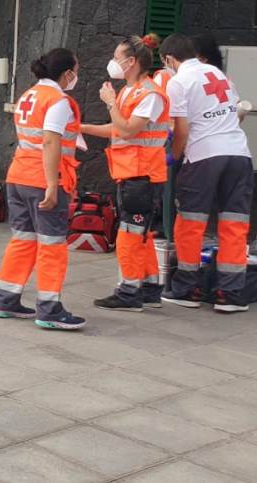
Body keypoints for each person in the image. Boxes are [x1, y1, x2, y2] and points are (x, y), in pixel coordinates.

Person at [0, 48, 86, 330]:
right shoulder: (58, 101)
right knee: (52, 245)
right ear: (67, 73)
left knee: (22, 240)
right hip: (41, 180)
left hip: (19, 175)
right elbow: (50, 142)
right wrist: (53, 185)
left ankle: (6, 300)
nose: (76, 76)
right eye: (76, 70)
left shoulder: (29, 95)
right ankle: (49, 309)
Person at [160, 34, 252, 312]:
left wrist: (173, 157)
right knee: (234, 224)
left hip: (204, 157)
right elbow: (233, 111)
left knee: (190, 223)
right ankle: (231, 294)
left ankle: (187, 288)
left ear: (169, 59)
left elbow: (182, 129)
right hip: (239, 155)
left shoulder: (179, 82)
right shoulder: (217, 73)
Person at [80, 36, 168, 310]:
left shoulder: (150, 94)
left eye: (117, 57)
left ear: (131, 62)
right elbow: (116, 128)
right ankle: (151, 288)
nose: (113, 62)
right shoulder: (130, 91)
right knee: (142, 233)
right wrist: (80, 127)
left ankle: (129, 292)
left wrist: (109, 102)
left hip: (142, 175)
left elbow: (129, 129)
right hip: (131, 172)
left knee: (130, 233)